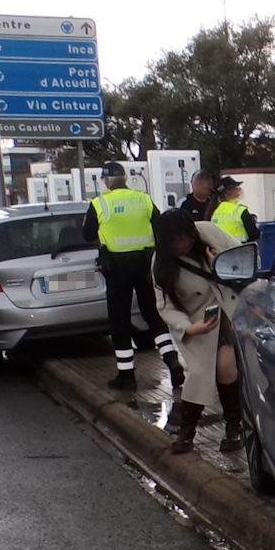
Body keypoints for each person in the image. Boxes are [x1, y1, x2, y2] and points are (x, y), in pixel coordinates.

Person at [83, 162, 185, 391]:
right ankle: (171, 361)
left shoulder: (100, 203)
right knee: (153, 314)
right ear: (125, 177)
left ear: (105, 180)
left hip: (117, 267)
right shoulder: (144, 199)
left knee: (119, 321)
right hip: (145, 264)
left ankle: (127, 375)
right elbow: (161, 228)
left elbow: (88, 234)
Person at [152, 209, 245, 453]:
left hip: (226, 308)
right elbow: (165, 306)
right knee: (199, 373)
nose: (183, 244)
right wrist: (190, 327)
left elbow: (242, 260)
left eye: (186, 238)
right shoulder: (160, 264)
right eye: (175, 241)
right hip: (195, 322)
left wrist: (220, 264)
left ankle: (234, 427)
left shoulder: (209, 233)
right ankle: (187, 431)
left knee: (226, 366)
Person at [210, 176, 261, 243]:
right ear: (229, 192)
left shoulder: (215, 212)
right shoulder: (240, 210)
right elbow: (254, 235)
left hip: (222, 251)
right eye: (236, 188)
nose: (239, 190)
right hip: (239, 249)